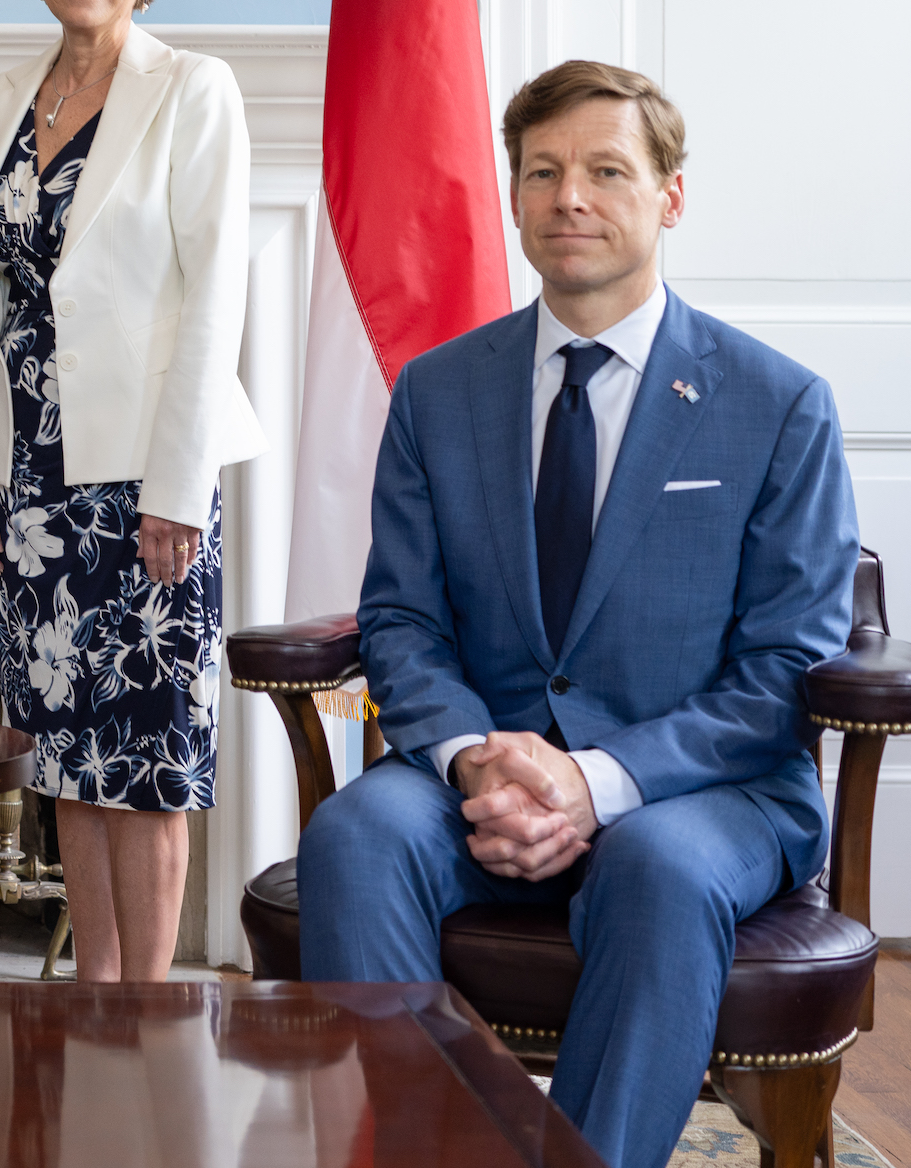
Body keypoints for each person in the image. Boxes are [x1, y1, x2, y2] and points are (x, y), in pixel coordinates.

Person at [297, 63, 858, 1168]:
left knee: (654, 862)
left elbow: (787, 663)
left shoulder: (778, 401)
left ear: (669, 197)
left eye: (607, 170)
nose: (570, 198)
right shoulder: (438, 389)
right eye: (543, 172)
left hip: (705, 788)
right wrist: (471, 762)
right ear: (511, 197)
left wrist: (592, 780)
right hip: (485, 766)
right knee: (356, 832)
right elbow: (401, 618)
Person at [0, 0, 267, 981]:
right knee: (66, 754)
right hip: (30, 486)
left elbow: (214, 296)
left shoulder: (192, 89)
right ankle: (93, 993)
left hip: (143, 483)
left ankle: (149, 1008)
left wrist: (180, 491)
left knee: (149, 756)